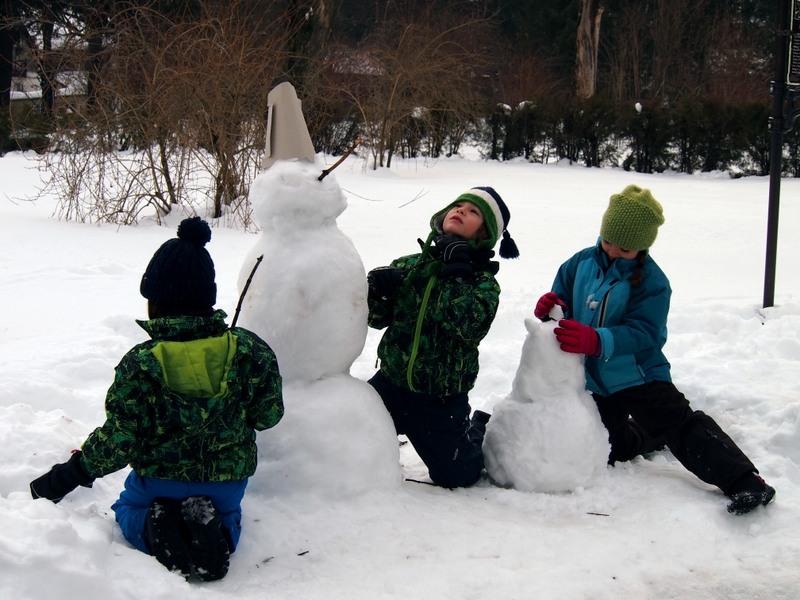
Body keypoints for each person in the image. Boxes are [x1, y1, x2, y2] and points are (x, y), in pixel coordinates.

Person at [29, 217, 284, 580]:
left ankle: (151, 528)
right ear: (206, 296)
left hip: (157, 482)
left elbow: (121, 438)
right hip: (225, 483)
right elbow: (267, 416)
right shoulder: (249, 350)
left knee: (126, 508)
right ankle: (221, 536)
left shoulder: (142, 363)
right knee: (228, 513)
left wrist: (68, 475)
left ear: (156, 301)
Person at [534, 184, 775, 515]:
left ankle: (744, 479)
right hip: (594, 381)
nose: (613, 251)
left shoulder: (652, 282)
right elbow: (563, 302)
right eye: (608, 241)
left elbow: (645, 332)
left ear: (642, 247)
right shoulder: (579, 264)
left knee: (679, 425)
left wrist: (597, 340)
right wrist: (552, 308)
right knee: (608, 448)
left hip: (638, 374)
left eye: (625, 249)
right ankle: (649, 436)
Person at [367, 187, 519, 488]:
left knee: (458, 477)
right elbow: (376, 320)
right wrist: (377, 291)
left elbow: (468, 328)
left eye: (473, 212)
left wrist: (457, 274)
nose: (460, 210)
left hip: (439, 401)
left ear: (485, 234)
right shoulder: (410, 265)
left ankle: (477, 427)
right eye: (458, 205)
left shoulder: (482, 282)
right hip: (390, 385)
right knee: (346, 439)